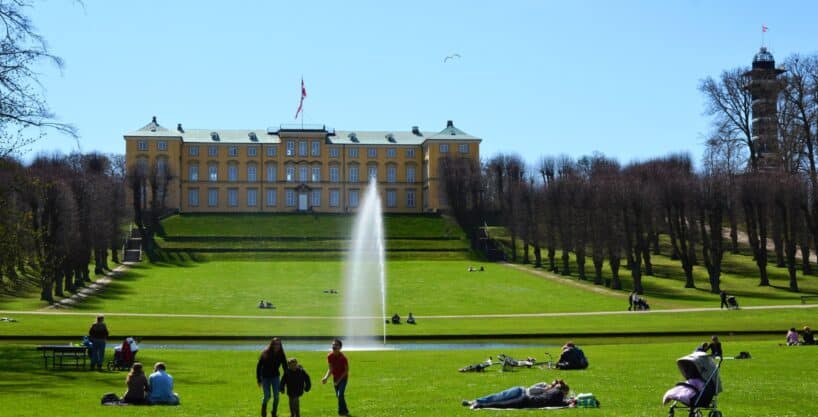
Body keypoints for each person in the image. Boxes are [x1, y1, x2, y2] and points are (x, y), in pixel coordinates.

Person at [462, 379, 572, 409]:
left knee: (499, 401)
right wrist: (546, 388)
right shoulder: (544, 386)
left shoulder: (552, 393)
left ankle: (476, 403)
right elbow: (531, 390)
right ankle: (476, 402)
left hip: (521, 395)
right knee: (498, 398)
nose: (551, 385)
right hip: (520, 392)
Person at [257, 337, 287, 417]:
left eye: (278, 344)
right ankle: (263, 411)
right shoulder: (265, 352)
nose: (277, 346)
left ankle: (274, 412)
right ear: (272, 344)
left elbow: (285, 368)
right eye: (275, 344)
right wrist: (259, 380)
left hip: (275, 377)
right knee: (267, 396)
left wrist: (285, 381)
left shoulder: (281, 354)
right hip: (265, 377)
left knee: (276, 396)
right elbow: (259, 366)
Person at [322, 338, 349, 416]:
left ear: (340, 347)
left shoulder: (343, 358)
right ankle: (345, 411)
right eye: (333, 344)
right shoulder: (330, 356)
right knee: (338, 395)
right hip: (335, 378)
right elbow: (330, 368)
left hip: (343, 378)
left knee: (340, 394)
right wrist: (326, 377)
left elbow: (346, 371)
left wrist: (339, 381)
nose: (334, 346)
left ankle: (341, 412)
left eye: (336, 345)